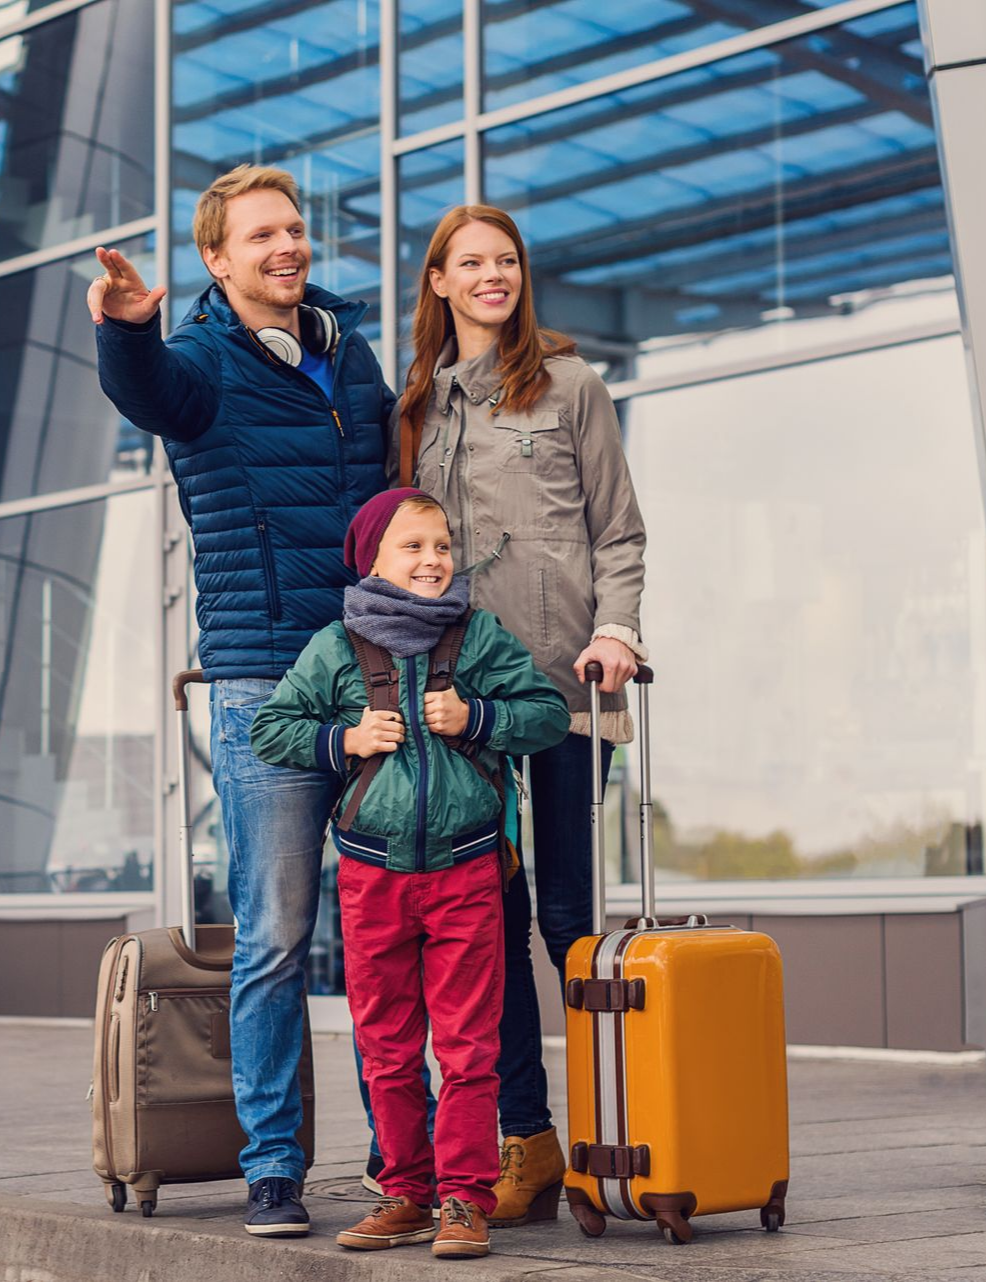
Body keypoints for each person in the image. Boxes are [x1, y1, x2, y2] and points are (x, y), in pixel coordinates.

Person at [90, 165, 394, 1237]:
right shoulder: (203, 363)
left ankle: (399, 1159)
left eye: (296, 228)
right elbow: (147, 395)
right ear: (217, 259)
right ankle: (271, 1165)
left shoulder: (349, 359)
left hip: (371, 677)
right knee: (272, 933)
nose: (287, 245)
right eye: (261, 233)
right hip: (263, 683)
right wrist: (129, 329)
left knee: (378, 930)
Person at [394, 205, 649, 1225]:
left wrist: (618, 631)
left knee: (568, 920)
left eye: (504, 260)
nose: (491, 275)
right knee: (483, 929)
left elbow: (617, 533)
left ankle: (602, 1134)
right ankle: (527, 1141)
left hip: (563, 699)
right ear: (439, 281)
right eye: (471, 262)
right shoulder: (416, 407)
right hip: (461, 706)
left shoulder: (570, 388)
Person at [249, 488, 569, 1258]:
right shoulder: (335, 646)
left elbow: (547, 714)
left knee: (467, 1048)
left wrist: (478, 719)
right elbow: (271, 727)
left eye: (441, 546)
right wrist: (347, 738)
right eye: (412, 547)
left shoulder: (479, 636)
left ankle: (464, 1200)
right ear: (370, 561)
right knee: (385, 1045)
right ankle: (404, 1193)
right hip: (372, 879)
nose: (432, 561)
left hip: (465, 875)